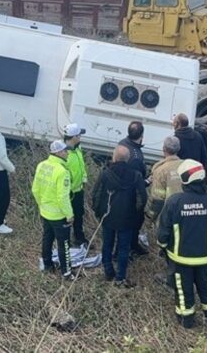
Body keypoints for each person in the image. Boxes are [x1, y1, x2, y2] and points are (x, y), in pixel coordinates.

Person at [157, 159, 207, 329]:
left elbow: (164, 230)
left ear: (184, 179)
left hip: (180, 259)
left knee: (183, 290)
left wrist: (162, 245)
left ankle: (187, 321)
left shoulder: (174, 201)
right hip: (206, 257)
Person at [93, 145, 147, 288]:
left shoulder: (105, 173)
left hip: (108, 216)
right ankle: (120, 278)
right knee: (123, 248)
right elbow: (142, 198)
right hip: (127, 219)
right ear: (128, 159)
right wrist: (135, 214)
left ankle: (108, 270)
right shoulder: (136, 176)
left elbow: (96, 195)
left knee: (107, 244)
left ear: (114, 157)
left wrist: (99, 213)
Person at [33, 140, 75, 280]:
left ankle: (47, 265)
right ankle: (67, 273)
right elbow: (63, 197)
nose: (67, 153)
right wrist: (69, 215)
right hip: (59, 215)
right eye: (65, 151)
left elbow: (35, 189)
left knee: (47, 239)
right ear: (58, 153)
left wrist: (41, 205)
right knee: (64, 244)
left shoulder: (41, 165)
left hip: (45, 212)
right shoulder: (62, 171)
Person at [118, 121, 148, 255]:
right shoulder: (135, 156)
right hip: (132, 195)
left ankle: (131, 245)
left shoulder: (123, 143)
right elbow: (136, 180)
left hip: (121, 191)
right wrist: (147, 182)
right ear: (141, 134)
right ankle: (131, 247)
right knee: (135, 221)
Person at [63, 123, 88, 246]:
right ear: (74, 137)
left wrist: (84, 179)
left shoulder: (78, 148)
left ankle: (79, 237)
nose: (80, 137)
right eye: (79, 135)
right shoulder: (63, 153)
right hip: (68, 193)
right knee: (67, 218)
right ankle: (65, 241)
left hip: (78, 190)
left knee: (79, 215)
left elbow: (81, 166)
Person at [147, 136, 183, 221]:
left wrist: (149, 217)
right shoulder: (185, 166)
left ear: (164, 149)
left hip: (167, 215)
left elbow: (157, 199)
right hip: (183, 214)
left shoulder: (160, 170)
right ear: (179, 149)